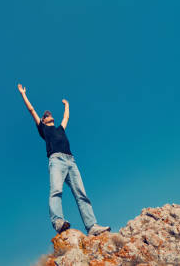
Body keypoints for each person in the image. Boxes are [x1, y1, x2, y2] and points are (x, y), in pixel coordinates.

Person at [17, 84, 111, 236]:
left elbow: (66, 117)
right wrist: (23, 94)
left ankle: (92, 226)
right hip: (56, 160)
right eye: (45, 114)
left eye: (49, 113)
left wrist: (67, 105)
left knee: (81, 194)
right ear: (43, 120)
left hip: (71, 161)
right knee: (56, 190)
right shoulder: (43, 129)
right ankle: (58, 221)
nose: (48, 114)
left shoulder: (60, 129)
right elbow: (31, 110)